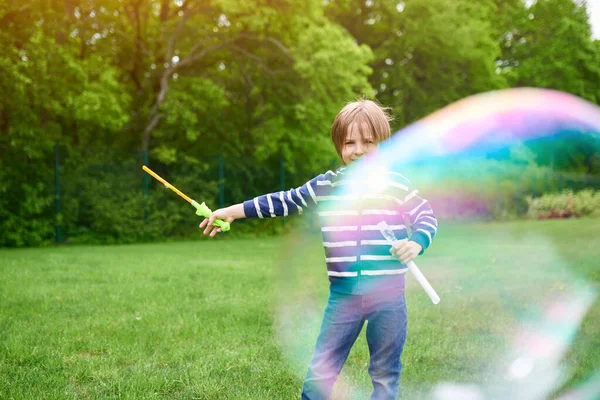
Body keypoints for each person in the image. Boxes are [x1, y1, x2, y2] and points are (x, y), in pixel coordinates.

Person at [200, 99, 438, 399]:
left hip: (389, 297)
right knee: (322, 371)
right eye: (349, 142)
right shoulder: (326, 185)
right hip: (344, 297)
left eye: (369, 141)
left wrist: (416, 241)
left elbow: (425, 216)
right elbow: (284, 200)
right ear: (339, 146)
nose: (358, 150)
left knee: (385, 373)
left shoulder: (395, 184)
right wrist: (233, 211)